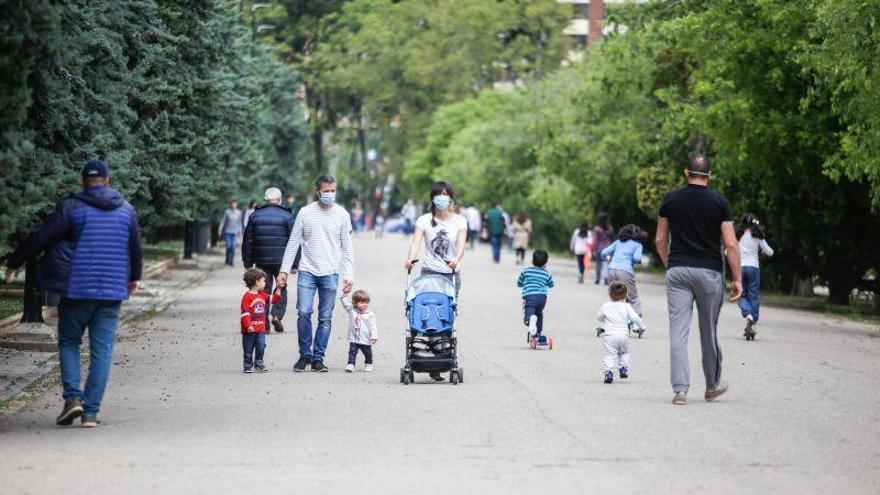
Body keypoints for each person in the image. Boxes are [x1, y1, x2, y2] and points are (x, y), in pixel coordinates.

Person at [3, 160, 143, 427]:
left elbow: (42, 235)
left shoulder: (73, 207)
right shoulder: (126, 211)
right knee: (102, 351)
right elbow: (136, 249)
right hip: (111, 290)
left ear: (83, 181)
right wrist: (133, 278)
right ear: (107, 181)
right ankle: (90, 413)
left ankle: (72, 399)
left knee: (69, 342)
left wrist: (15, 260)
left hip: (77, 289)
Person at [656, 153, 742, 406]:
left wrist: (670, 264)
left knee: (678, 332)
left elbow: (661, 239)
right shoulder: (720, 203)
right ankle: (712, 385)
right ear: (710, 175)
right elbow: (730, 243)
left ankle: (680, 390)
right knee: (708, 331)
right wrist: (737, 278)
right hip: (709, 273)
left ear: (686, 173)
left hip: (678, 271)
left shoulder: (671, 200)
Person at [277, 175, 354, 373]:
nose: (330, 194)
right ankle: (305, 354)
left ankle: (318, 357)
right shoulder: (305, 213)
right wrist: (284, 271)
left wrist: (348, 275)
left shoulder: (342, 215)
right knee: (303, 312)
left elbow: (348, 249)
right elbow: (293, 243)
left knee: (325, 318)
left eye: (333, 190)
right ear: (317, 191)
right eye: (326, 191)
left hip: (330, 273)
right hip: (307, 271)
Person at [404, 181, 467, 380]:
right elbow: (415, 242)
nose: (442, 198)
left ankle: (443, 357)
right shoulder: (423, 220)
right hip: (429, 273)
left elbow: (461, 245)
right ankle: (432, 361)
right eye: (438, 195)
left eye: (445, 195)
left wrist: (456, 260)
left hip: (450, 274)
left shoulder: (460, 221)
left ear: (451, 198)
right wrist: (410, 258)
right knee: (429, 315)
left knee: (447, 315)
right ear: (433, 198)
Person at [242, 187, 295, 333]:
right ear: (279, 200)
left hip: (261, 260)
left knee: (262, 289)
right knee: (281, 286)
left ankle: (263, 324)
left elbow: (248, 241)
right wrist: (294, 264)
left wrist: (247, 263)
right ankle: (277, 315)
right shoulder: (287, 216)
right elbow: (294, 240)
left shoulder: (255, 215)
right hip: (281, 261)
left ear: (266, 199)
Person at [596, 282, 645, 384]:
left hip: (610, 336)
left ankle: (609, 373)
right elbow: (635, 318)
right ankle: (623, 368)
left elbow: (599, 317)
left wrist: (605, 318)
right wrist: (641, 326)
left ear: (610, 294)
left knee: (609, 355)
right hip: (623, 336)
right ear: (626, 294)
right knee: (624, 352)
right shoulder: (627, 307)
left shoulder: (606, 306)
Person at [737, 213, 774, 338]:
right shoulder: (758, 236)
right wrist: (763, 250)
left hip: (740, 267)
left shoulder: (739, 236)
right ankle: (752, 321)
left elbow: (727, 251)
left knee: (742, 294)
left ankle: (747, 315)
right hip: (753, 268)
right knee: (753, 296)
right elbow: (770, 252)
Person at [240, 268, 283, 373]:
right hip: (249, 330)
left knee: (261, 345)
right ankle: (247, 365)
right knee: (248, 348)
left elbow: (274, 299)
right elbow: (245, 313)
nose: (265, 283)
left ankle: (259, 363)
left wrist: (278, 288)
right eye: (263, 281)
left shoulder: (262, 295)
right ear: (256, 282)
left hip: (260, 328)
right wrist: (248, 325)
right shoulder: (247, 297)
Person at [601, 224, 647, 317]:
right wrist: (632, 260)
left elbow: (603, 253)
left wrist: (609, 259)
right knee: (633, 298)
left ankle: (614, 317)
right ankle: (637, 323)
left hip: (611, 270)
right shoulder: (638, 245)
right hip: (625, 271)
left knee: (615, 296)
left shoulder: (617, 242)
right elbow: (637, 258)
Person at [517, 250, 555, 339]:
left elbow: (519, 283)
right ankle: (538, 332)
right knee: (539, 314)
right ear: (546, 263)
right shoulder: (547, 273)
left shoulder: (526, 271)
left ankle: (530, 321)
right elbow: (551, 284)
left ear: (532, 261)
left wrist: (523, 284)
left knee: (529, 313)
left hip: (530, 296)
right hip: (542, 298)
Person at [340, 289, 378, 372]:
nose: (364, 304)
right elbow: (345, 304)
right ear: (355, 303)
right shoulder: (352, 310)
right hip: (354, 337)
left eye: (366, 302)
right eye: (361, 302)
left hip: (365, 338)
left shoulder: (370, 315)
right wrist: (344, 295)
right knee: (352, 351)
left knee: (367, 352)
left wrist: (374, 336)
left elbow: (373, 326)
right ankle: (351, 364)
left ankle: (369, 363)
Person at [592, 213, 614, 285]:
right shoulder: (610, 228)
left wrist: (593, 250)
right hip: (608, 250)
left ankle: (597, 279)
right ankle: (606, 279)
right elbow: (612, 239)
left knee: (598, 264)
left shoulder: (597, 229)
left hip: (599, 250)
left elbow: (595, 241)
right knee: (606, 264)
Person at [219, 200, 243, 267]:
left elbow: (239, 223)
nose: (234, 205)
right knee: (229, 246)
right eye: (233, 204)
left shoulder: (239, 213)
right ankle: (227, 260)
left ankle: (231, 261)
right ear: (231, 205)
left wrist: (240, 232)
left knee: (233, 247)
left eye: (235, 204)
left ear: (236, 205)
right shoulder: (227, 212)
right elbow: (223, 221)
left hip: (235, 232)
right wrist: (220, 229)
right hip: (227, 232)